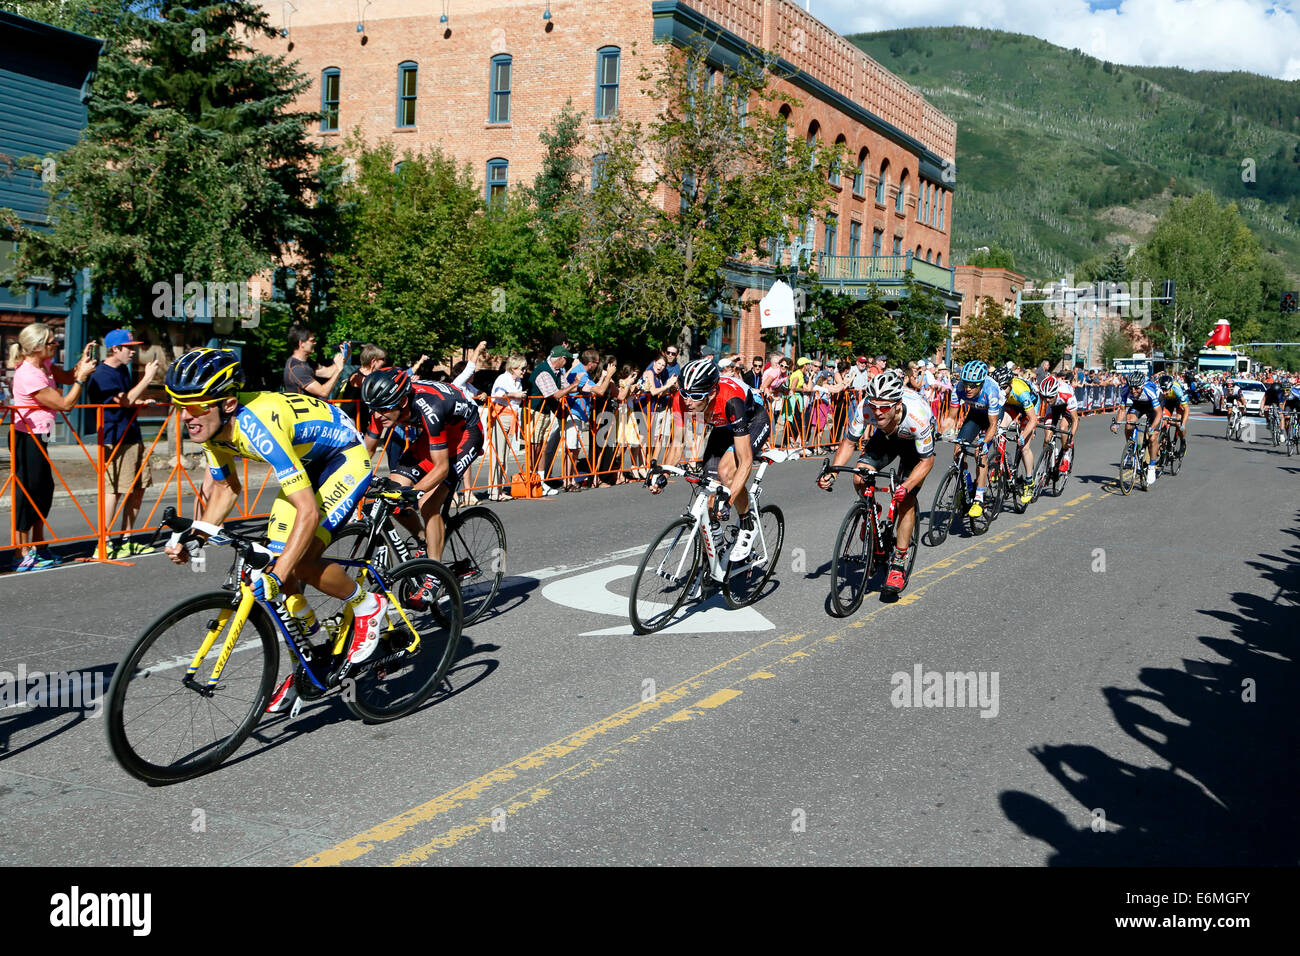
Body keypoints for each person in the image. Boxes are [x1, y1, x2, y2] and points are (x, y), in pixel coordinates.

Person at [162, 348, 381, 714]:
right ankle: (314, 652)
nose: (188, 417)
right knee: (279, 562)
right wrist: (196, 536)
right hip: (305, 461)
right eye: (180, 405)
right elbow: (228, 489)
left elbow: (308, 512)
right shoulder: (215, 432)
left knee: (297, 563)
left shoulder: (256, 427)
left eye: (197, 406)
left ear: (228, 403)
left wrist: (280, 573)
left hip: (342, 458)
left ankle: (368, 605)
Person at [361, 368, 484, 585]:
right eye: (374, 410)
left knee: (427, 504)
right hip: (435, 436)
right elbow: (366, 452)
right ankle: (424, 540)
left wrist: (415, 492)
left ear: (402, 402)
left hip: (466, 434)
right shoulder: (382, 408)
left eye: (383, 410)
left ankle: (435, 576)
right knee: (390, 494)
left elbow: (442, 468)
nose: (378, 416)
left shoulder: (430, 407)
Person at [817, 370, 935, 595]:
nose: (878, 412)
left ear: (897, 405)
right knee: (859, 475)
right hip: (885, 438)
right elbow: (849, 443)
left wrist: (906, 486)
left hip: (913, 444)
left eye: (884, 407)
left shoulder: (917, 416)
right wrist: (832, 473)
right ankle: (870, 508)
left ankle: (899, 563)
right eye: (875, 405)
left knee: (905, 501)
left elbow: (927, 461)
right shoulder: (866, 408)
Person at [9, 322, 99, 571]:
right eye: (52, 341)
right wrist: (81, 379)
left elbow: (68, 376)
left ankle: (38, 545)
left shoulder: (45, 365)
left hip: (41, 435)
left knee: (43, 490)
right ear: (37, 347)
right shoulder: (28, 374)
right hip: (26, 436)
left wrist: (82, 362)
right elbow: (64, 404)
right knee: (27, 492)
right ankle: (22, 552)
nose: (56, 344)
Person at [669, 359, 770, 563]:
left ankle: (747, 524)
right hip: (722, 426)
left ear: (712, 393)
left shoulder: (731, 400)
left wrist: (729, 501)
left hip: (752, 421)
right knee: (708, 496)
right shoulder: (683, 398)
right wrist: (662, 471)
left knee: (726, 472)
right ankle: (714, 554)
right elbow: (677, 443)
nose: (688, 401)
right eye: (685, 394)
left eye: (696, 396)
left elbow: (745, 462)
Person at [86, 329, 161, 557]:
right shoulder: (102, 374)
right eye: (129, 348)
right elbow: (124, 400)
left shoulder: (122, 371)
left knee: (138, 487)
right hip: (114, 437)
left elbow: (125, 398)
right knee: (115, 490)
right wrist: (147, 378)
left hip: (132, 434)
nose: (132, 352)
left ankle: (126, 539)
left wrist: (140, 400)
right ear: (115, 349)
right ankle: (104, 542)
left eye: (133, 347)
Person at [527, 346, 581, 495]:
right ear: (560, 358)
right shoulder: (544, 371)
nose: (567, 362)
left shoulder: (557, 372)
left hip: (543, 413)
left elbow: (566, 388)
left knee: (541, 448)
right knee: (535, 448)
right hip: (534, 412)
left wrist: (578, 386)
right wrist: (573, 385)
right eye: (566, 359)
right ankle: (535, 481)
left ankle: (541, 481)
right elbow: (556, 394)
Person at [953, 360, 1003, 520]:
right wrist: (937, 432)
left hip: (992, 416)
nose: (968, 388)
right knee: (957, 451)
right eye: (966, 384)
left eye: (973, 385)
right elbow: (950, 416)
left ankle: (979, 499)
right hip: (975, 414)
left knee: (980, 454)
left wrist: (983, 443)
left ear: (981, 383)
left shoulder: (991, 390)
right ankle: (967, 487)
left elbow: (993, 424)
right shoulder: (959, 387)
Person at [990, 365, 1040, 505]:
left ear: (1010, 384)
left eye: (1004, 388)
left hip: (1030, 405)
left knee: (1024, 446)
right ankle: (1000, 462)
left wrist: (1023, 435)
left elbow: (1033, 419)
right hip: (1012, 404)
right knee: (998, 431)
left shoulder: (1021, 391)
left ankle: (1029, 482)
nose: (1001, 391)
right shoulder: (1001, 391)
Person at [1112, 370, 1163, 487]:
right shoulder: (1125, 390)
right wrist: (1117, 424)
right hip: (1138, 404)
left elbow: (1159, 413)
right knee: (1129, 422)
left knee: (1152, 438)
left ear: (1142, 386)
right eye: (1131, 388)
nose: (1134, 391)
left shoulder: (1149, 390)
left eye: (1137, 389)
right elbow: (1122, 409)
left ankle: (1151, 467)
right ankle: (1131, 447)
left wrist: (1153, 427)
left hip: (1153, 406)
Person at [488, 355, 527, 500]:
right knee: (498, 453)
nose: (524, 371)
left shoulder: (518, 380)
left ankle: (499, 488)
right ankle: (493, 490)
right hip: (501, 415)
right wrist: (515, 394)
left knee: (504, 455)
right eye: (522, 368)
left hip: (511, 416)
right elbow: (497, 394)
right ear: (513, 368)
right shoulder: (502, 379)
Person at [283, 325, 344, 398]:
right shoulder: (296, 368)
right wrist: (339, 370)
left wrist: (344, 355)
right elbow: (323, 392)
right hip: (303, 409)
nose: (315, 343)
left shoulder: (307, 362)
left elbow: (328, 373)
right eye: (312, 340)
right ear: (301, 343)